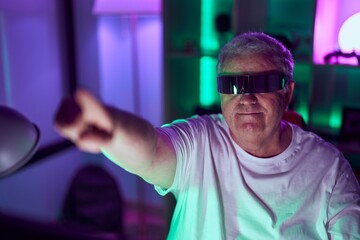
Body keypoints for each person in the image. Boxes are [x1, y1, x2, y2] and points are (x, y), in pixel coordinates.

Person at [55, 32, 360, 239]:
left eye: (263, 83)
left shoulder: (329, 170)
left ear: (288, 92)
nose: (247, 99)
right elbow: (151, 151)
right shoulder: (201, 139)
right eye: (233, 85)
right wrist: (112, 128)